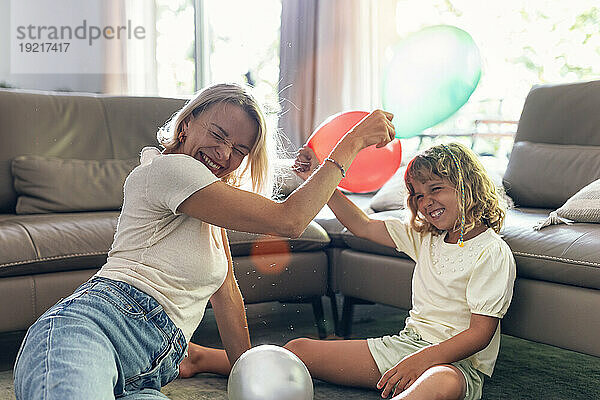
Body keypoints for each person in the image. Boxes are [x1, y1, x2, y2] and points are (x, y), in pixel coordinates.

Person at [13, 82, 395, 400]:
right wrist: (354, 140)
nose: (225, 153)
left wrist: (250, 375)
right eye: (218, 134)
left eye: (241, 150)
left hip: (148, 372)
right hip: (92, 328)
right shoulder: (168, 170)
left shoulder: (207, 213)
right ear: (187, 122)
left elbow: (227, 297)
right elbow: (290, 220)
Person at [180, 142, 516, 400]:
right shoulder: (424, 236)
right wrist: (318, 178)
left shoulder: (491, 252)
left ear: (467, 185)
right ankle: (204, 358)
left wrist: (422, 362)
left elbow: (479, 334)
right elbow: (362, 224)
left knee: (442, 381)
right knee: (298, 350)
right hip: (404, 348)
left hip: (456, 365)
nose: (425, 201)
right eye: (417, 195)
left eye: (435, 189)